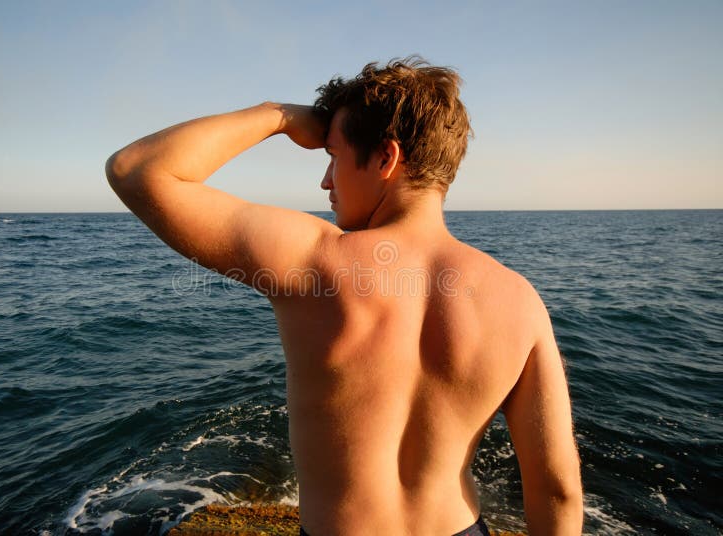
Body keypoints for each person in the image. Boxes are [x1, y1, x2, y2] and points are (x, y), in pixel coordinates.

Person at [106, 57, 583, 536]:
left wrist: (280, 116)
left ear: (385, 158)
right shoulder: (520, 301)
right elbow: (556, 490)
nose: (326, 180)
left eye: (332, 155)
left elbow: (136, 170)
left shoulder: (315, 260)